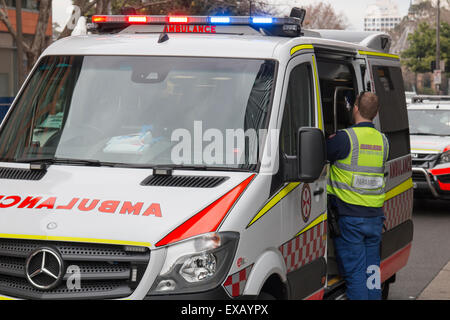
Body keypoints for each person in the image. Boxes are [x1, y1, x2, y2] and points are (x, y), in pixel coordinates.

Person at [326, 92, 389, 300]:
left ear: (355, 108)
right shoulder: (383, 141)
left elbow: (321, 155)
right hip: (375, 218)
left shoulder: (345, 138)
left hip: (350, 218)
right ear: (376, 112)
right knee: (372, 273)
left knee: (355, 276)